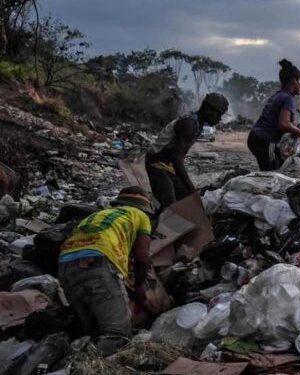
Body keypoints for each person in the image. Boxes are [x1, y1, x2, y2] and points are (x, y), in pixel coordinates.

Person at [58, 186, 154, 355]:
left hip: (65, 265)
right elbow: (142, 258)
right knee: (117, 335)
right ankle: (87, 368)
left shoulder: (96, 215)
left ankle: (69, 365)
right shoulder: (140, 216)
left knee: (93, 330)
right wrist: (139, 285)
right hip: (98, 262)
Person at [146, 93, 228, 212]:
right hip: (156, 164)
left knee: (185, 200)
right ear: (208, 109)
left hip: (168, 166)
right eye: (218, 114)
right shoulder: (189, 124)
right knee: (169, 206)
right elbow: (176, 158)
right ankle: (161, 228)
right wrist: (192, 189)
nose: (219, 119)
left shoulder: (197, 124)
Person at [247, 59, 300, 171]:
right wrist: (299, 132)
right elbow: (283, 124)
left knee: (268, 169)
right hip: (265, 140)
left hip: (255, 137)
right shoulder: (288, 98)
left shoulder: (278, 95)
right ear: (293, 81)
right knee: (272, 173)